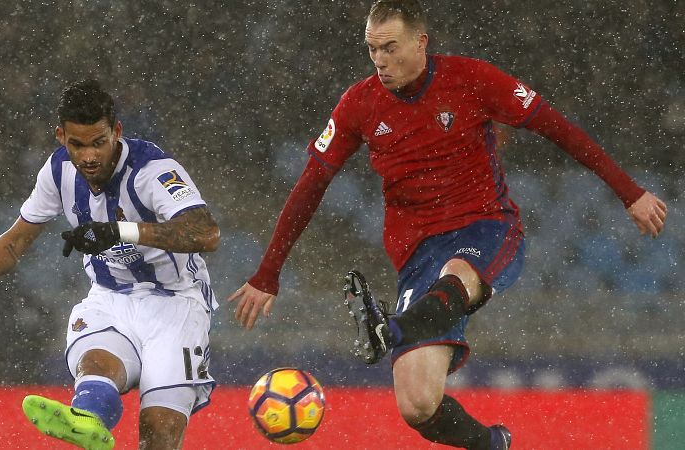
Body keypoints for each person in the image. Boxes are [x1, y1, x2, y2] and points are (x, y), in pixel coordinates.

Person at [228, 1, 667, 449]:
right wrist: (268, 273)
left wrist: (629, 192)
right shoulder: (359, 104)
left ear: (421, 42)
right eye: (372, 49)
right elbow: (311, 184)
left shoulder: (471, 78)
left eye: (390, 47)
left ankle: (391, 329)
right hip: (418, 252)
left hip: (485, 227)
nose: (380, 60)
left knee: (457, 275)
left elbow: (558, 128)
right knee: (417, 405)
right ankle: (492, 443)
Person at [0, 79, 220, 450]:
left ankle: (93, 418)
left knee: (158, 432)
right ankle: (89, 421)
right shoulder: (58, 172)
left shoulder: (153, 170)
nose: (89, 156)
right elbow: (16, 240)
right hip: (109, 298)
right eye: (77, 145)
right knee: (96, 368)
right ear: (61, 137)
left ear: (117, 132)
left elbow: (206, 233)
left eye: (99, 142)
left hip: (175, 304)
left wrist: (119, 231)